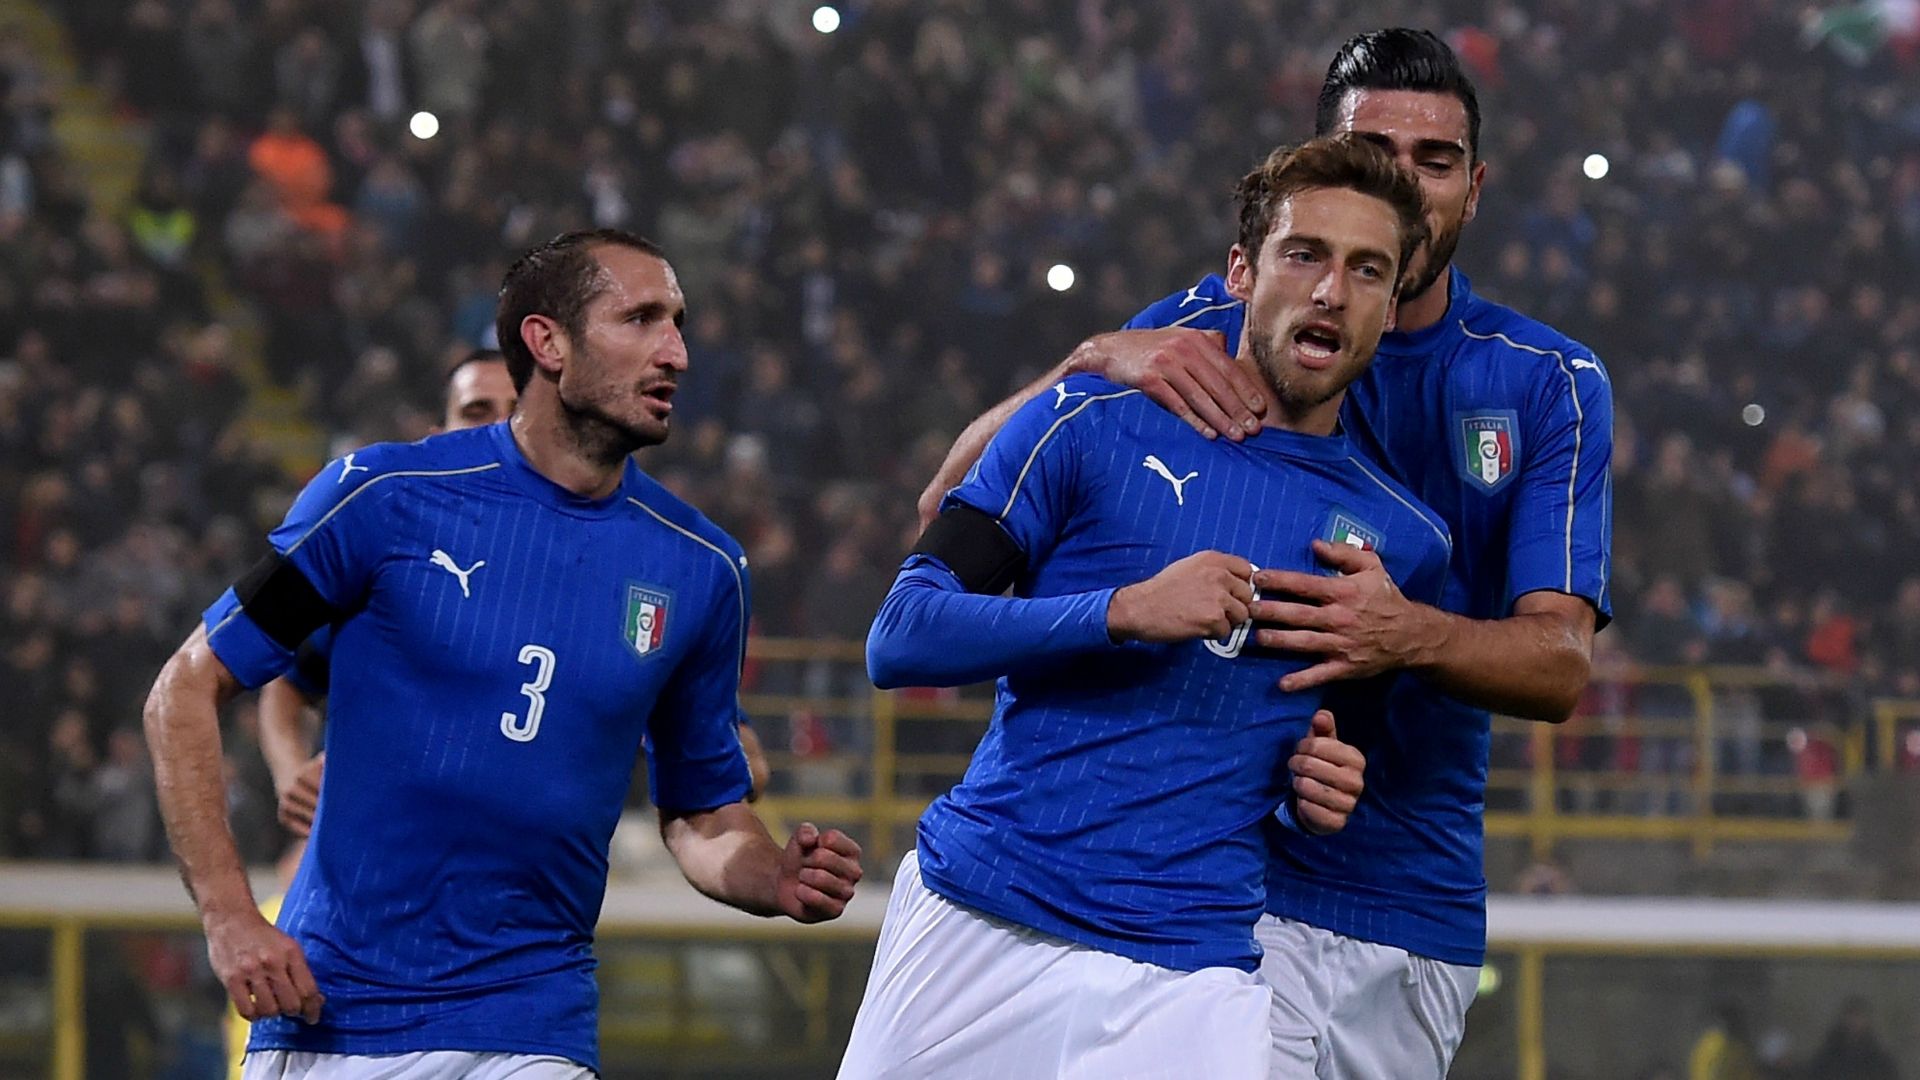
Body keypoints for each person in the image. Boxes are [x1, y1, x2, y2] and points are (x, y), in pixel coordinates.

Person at [915, 29, 1613, 1078]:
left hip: (1409, 901)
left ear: (1475, 188)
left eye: (1436, 162)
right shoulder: (1213, 322)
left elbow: (1558, 665)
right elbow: (956, 502)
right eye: (1376, 150)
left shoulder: (1545, 381)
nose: (1409, 186)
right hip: (1216, 891)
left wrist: (1406, 633)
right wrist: (1094, 358)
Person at [144, 228, 863, 1080]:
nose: (676, 351)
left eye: (678, 323)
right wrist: (229, 917)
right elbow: (185, 689)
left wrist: (769, 874)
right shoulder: (381, 499)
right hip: (335, 1015)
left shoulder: (703, 569)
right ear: (547, 342)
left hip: (534, 1023)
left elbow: (703, 811)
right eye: (640, 319)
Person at [840, 135, 1446, 1080]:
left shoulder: (1402, 542)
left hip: (1190, 978)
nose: (1333, 290)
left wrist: (1318, 790)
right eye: (1306, 255)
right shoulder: (1085, 419)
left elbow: (1309, 748)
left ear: (1389, 305)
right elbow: (901, 635)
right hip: (978, 918)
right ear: (1242, 273)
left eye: (1367, 270)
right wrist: (1122, 610)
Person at [1805, 996, 1900, 1080]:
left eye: (1859, 1017)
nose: (1855, 1021)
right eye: (1851, 1016)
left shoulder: (1878, 1059)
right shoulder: (1828, 1056)